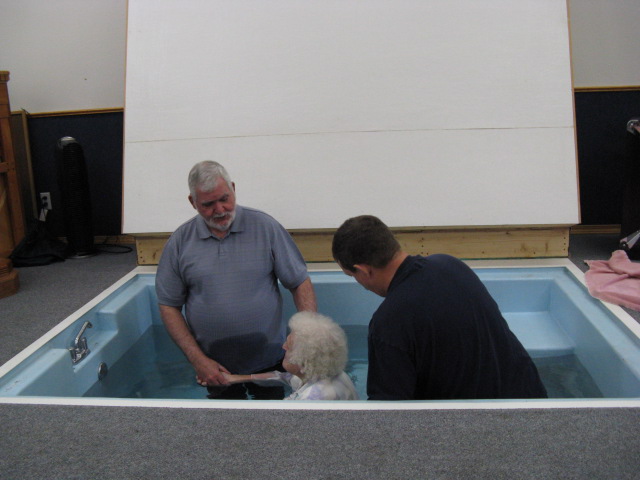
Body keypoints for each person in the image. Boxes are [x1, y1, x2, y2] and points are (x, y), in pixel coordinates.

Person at [331, 215, 548, 401]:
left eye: (352, 276)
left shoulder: (389, 322)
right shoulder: (451, 265)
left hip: (488, 430)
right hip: (533, 398)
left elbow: (388, 413)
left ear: (364, 270)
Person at [156, 160, 317, 400]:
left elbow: (299, 281)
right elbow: (169, 305)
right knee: (225, 429)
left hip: (271, 359)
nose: (220, 209)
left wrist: (305, 336)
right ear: (193, 202)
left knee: (277, 424)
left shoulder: (266, 227)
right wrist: (198, 360)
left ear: (233, 188)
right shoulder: (180, 242)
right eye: (208, 204)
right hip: (214, 367)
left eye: (224, 198)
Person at [221, 312, 359, 400]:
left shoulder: (313, 398)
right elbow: (284, 377)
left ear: (304, 359)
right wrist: (237, 378)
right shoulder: (328, 371)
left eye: (289, 346)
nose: (283, 347)